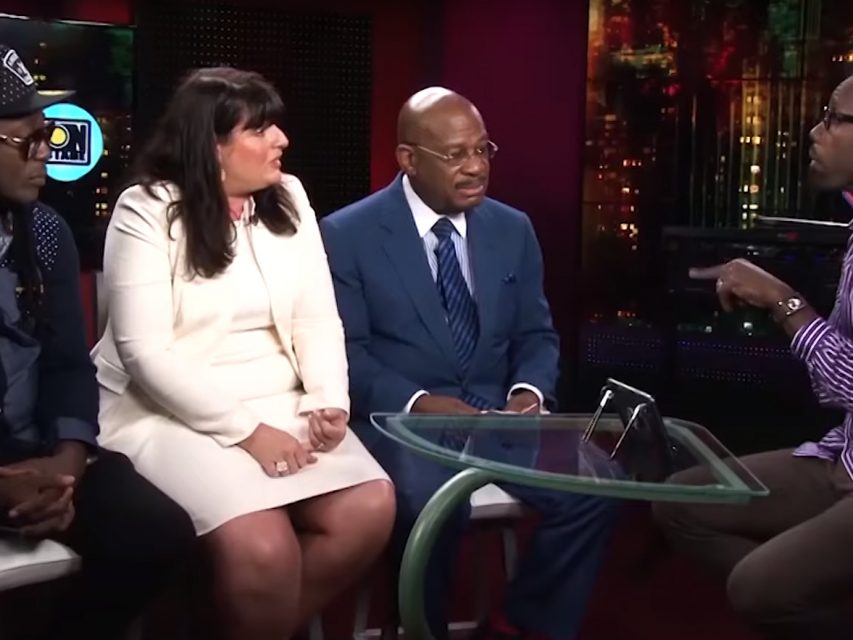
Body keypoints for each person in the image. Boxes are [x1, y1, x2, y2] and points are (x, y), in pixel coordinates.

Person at [92, 67, 395, 640]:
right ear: (212, 146)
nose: (282, 139)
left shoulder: (289, 196)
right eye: (260, 129)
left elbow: (316, 316)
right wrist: (249, 432)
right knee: (264, 548)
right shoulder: (146, 209)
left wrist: (329, 398)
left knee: (370, 508)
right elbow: (145, 354)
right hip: (171, 410)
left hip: (280, 397)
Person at [320, 87, 618, 640]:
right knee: (429, 503)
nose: (476, 167)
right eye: (455, 154)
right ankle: (420, 629)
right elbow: (345, 354)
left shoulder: (513, 228)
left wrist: (528, 394)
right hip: (402, 423)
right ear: (409, 159)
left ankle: (519, 625)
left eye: (482, 150)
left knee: (600, 486)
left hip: (497, 417)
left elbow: (535, 334)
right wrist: (419, 403)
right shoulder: (347, 234)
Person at [0, 45, 195, 639]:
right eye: (27, 142)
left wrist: (67, 466)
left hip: (38, 453)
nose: (46, 154)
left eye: (47, 137)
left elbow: (67, 366)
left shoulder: (46, 232)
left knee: (156, 533)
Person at [653, 74, 853, 640]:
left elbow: (846, 383)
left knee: (756, 589)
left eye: (834, 118)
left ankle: (777, 590)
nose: (815, 131)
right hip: (843, 455)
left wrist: (781, 300)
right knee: (679, 503)